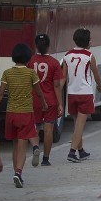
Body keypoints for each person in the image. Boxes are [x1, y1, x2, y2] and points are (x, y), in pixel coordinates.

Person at [0, 43, 47, 188]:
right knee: (23, 146)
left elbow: (0, 93)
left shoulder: (7, 73)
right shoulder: (30, 73)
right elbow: (39, 93)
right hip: (25, 114)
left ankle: (15, 173)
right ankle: (18, 172)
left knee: (14, 145)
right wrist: (44, 104)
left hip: (10, 114)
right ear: (29, 59)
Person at [63, 28, 101, 163]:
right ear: (87, 42)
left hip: (71, 93)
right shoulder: (89, 56)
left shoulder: (67, 55)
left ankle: (81, 151)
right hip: (84, 93)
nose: (91, 41)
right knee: (80, 126)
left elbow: (63, 78)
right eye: (90, 39)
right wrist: (100, 86)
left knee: (76, 124)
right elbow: (96, 74)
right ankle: (72, 152)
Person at [27, 34, 64, 166]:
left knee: (35, 126)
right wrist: (60, 103)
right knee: (49, 129)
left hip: (34, 99)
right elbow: (57, 85)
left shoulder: (30, 61)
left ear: (35, 45)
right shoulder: (54, 62)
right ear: (48, 46)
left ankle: (36, 147)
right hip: (50, 100)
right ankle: (46, 159)